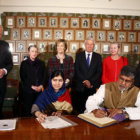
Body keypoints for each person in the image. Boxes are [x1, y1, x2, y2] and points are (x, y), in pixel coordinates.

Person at [74, 37, 102, 113]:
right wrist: (85, 81)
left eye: (91, 44)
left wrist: (90, 82)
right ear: (85, 45)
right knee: (80, 110)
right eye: (87, 44)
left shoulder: (98, 57)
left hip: (92, 87)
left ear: (94, 46)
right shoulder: (79, 56)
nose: (89, 46)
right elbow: (77, 70)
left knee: (91, 110)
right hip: (81, 87)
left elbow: (99, 72)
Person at [20, 45, 46, 116]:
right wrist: (32, 86)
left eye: (35, 51)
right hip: (28, 91)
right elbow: (23, 78)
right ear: (29, 52)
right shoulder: (24, 63)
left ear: (37, 53)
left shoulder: (41, 63)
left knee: (38, 110)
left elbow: (44, 76)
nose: (34, 53)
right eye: (32, 51)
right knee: (28, 111)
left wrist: (41, 86)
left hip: (39, 92)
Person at [0, 25, 13, 118]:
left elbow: (10, 64)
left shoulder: (5, 45)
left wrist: (4, 71)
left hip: (1, 83)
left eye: (0, 33)